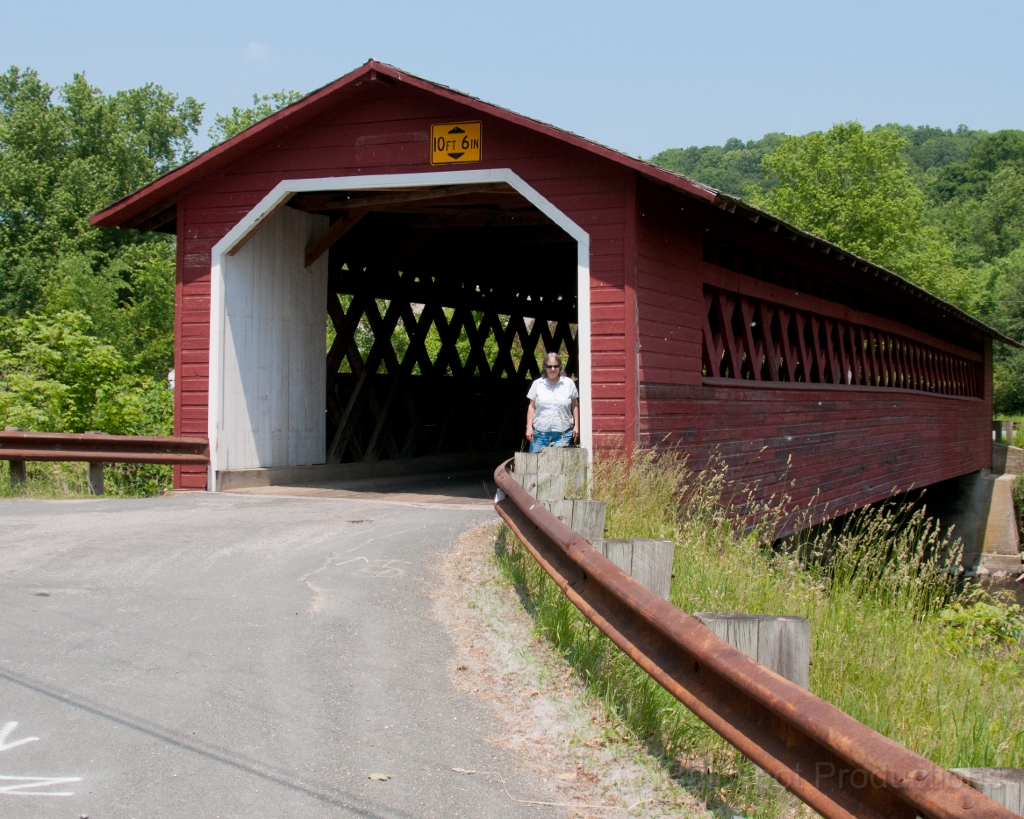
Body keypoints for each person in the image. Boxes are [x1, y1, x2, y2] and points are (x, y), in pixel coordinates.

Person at [525, 352, 579, 453]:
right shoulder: (537, 384)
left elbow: (575, 405)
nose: (553, 369)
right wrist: (529, 428)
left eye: (556, 366)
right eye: (549, 366)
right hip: (540, 432)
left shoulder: (568, 383)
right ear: (545, 367)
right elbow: (531, 407)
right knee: (536, 464)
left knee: (558, 464)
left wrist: (576, 426)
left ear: (560, 367)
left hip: (563, 432)